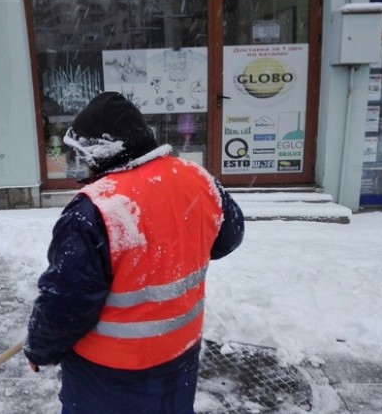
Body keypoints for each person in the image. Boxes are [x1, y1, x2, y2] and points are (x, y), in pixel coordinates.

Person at [24, 92, 245, 414]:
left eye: (82, 156)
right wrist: (178, 246)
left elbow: (66, 301)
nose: (78, 166)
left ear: (104, 152)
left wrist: (40, 348)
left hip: (109, 372)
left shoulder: (95, 209)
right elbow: (229, 237)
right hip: (180, 352)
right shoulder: (197, 178)